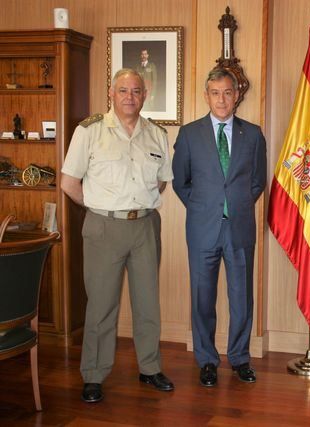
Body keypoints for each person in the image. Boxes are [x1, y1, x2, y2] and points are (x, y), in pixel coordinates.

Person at [60, 68, 174, 403]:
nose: (130, 97)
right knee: (101, 306)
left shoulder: (156, 134)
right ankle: (93, 375)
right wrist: (99, 207)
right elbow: (69, 183)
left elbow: (162, 180)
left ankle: (150, 368)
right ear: (111, 93)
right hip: (103, 227)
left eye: (136, 91)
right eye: (123, 90)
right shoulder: (90, 131)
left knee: (147, 303)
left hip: (145, 227)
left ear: (145, 94)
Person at [172, 68, 267, 386]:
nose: (222, 98)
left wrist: (234, 205)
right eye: (215, 92)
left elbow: (257, 182)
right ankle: (207, 360)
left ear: (236, 94)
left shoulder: (252, 134)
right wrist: (204, 208)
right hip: (202, 229)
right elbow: (181, 181)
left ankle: (240, 358)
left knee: (241, 296)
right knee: (202, 297)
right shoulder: (189, 133)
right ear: (206, 95)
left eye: (227, 92)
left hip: (239, 227)